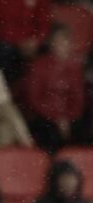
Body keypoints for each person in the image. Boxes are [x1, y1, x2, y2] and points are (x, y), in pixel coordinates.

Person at [23, 25, 84, 153]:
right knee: (49, 131)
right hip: (44, 116)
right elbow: (34, 98)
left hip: (69, 117)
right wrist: (56, 118)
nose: (62, 45)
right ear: (51, 44)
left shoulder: (75, 67)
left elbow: (78, 98)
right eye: (58, 41)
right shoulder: (38, 65)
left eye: (65, 41)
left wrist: (67, 118)